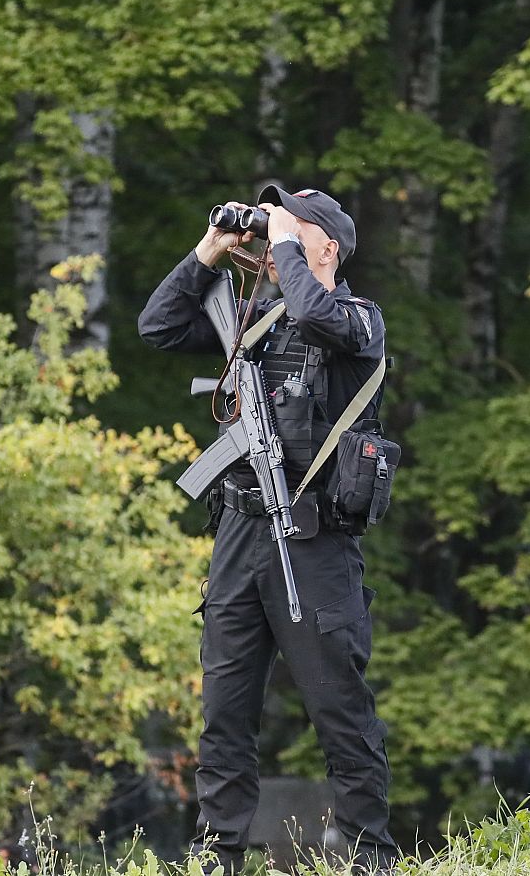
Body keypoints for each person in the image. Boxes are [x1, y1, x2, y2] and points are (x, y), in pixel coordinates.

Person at [137, 185, 398, 874]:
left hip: (314, 543)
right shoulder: (259, 320)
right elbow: (158, 327)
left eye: (295, 226)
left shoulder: (357, 321)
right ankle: (216, 854)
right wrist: (210, 250)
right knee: (223, 710)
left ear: (327, 248)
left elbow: (317, 311)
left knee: (340, 711)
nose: (276, 232)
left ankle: (371, 856)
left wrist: (282, 241)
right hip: (239, 534)